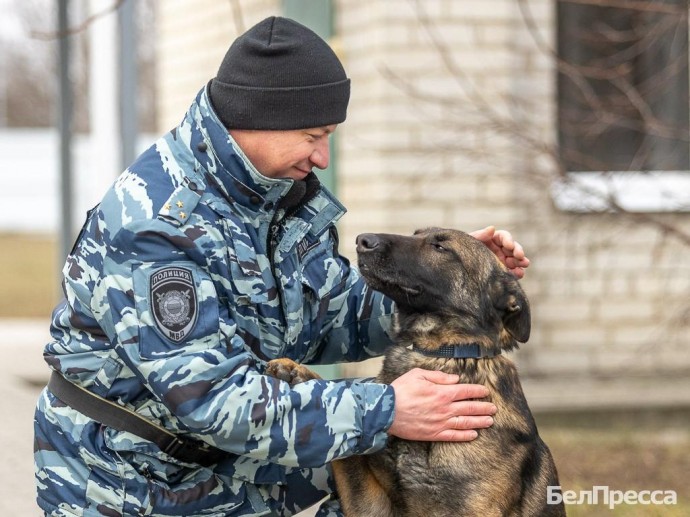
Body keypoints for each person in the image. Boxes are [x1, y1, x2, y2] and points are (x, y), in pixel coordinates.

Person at [34, 16, 530, 517]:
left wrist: (458, 280)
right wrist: (389, 409)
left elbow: (332, 315)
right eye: (313, 135)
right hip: (132, 483)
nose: (322, 156)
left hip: (229, 469)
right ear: (258, 117)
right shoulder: (155, 225)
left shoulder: (272, 198)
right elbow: (213, 400)